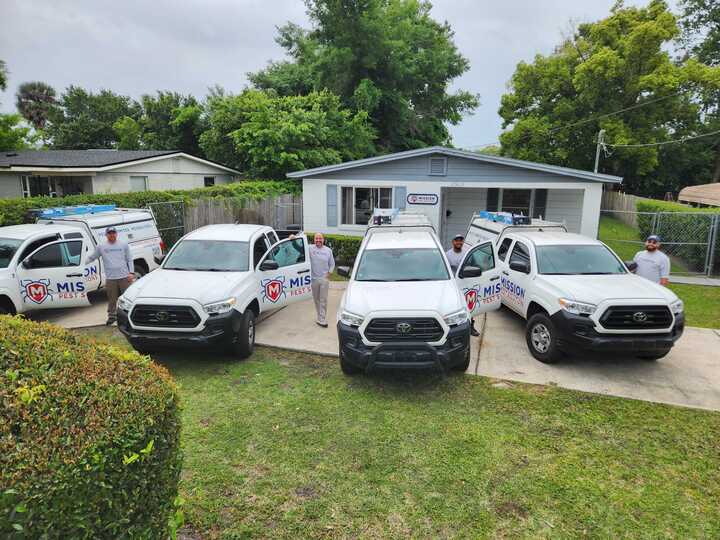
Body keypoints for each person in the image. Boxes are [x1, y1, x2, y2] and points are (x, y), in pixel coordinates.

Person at [86, 226, 134, 325]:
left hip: (125, 276)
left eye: (113, 233)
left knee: (127, 298)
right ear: (106, 235)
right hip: (111, 278)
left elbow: (129, 259)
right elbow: (92, 257)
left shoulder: (123, 244)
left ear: (116, 234)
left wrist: (131, 273)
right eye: (109, 233)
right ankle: (112, 316)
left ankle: (129, 316)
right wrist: (81, 264)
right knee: (112, 299)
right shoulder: (101, 246)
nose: (112, 235)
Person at [446, 234, 479, 337]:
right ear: (453, 242)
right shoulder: (447, 255)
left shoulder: (467, 254)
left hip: (466, 284)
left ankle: (470, 327)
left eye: (461, 241)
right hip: (453, 285)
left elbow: (475, 266)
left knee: (469, 306)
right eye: (457, 240)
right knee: (453, 307)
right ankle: (453, 328)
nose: (459, 242)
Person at [309, 233, 335, 327]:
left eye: (320, 238)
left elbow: (332, 264)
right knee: (316, 300)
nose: (318, 240)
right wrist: (293, 237)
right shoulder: (310, 248)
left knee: (323, 299)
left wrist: (329, 274)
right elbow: (299, 247)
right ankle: (319, 316)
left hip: (324, 279)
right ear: (314, 239)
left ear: (323, 239)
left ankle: (322, 319)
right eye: (316, 238)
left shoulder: (328, 250)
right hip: (313, 279)